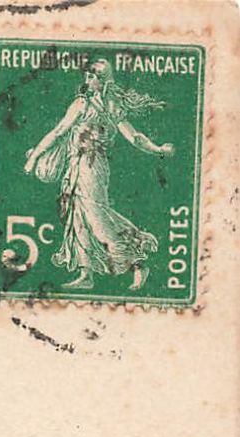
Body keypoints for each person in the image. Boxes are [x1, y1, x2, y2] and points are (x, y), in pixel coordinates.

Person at [23, 59, 175, 291]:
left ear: (103, 80)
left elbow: (134, 137)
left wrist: (158, 150)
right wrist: (34, 157)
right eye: (87, 75)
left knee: (97, 216)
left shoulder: (112, 106)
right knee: (77, 217)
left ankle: (137, 263)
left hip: (94, 167)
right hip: (75, 166)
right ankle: (86, 273)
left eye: (92, 76)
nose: (88, 80)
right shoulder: (80, 104)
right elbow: (58, 132)